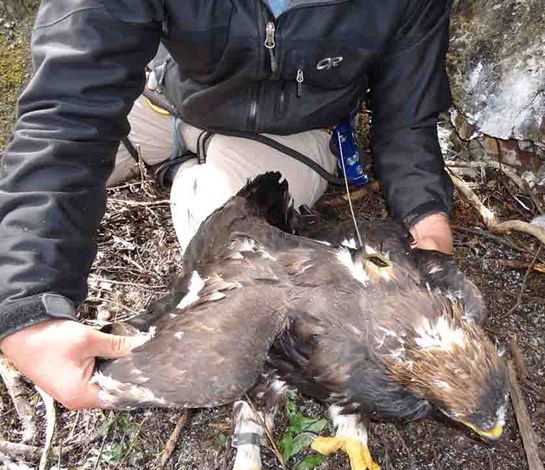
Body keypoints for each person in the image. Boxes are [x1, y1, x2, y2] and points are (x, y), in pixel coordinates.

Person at [0, 0, 455, 410]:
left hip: (282, 134)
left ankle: (183, 175)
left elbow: (408, 119)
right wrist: (25, 303)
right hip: (156, 99)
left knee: (233, 253)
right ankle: (175, 163)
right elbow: (65, 117)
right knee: (22, 185)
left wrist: (428, 222)